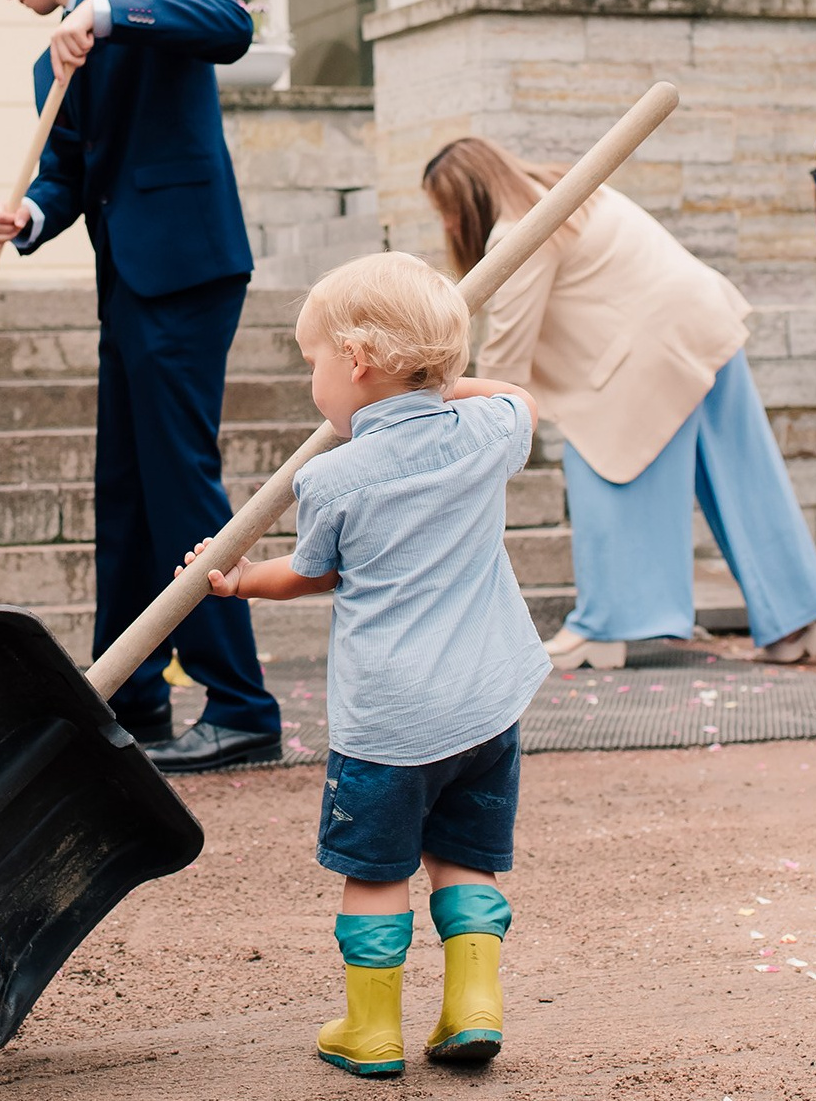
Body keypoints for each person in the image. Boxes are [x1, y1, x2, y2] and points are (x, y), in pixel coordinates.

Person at [182, 252, 546, 1076]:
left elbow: (315, 574)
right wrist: (442, 387)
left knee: (377, 871)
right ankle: (472, 1006)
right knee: (466, 855)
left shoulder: (334, 476)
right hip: (486, 707)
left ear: (355, 362)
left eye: (312, 362)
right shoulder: (487, 434)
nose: (313, 380)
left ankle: (373, 1031)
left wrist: (236, 582)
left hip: (390, 721)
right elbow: (519, 400)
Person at [0, 0, 280, 773]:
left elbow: (231, 24)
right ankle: (129, 693)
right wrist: (30, 214)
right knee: (123, 486)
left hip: (188, 267)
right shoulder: (51, 63)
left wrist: (108, 13)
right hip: (126, 283)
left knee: (179, 481)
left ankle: (243, 708)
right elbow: (67, 175)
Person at [423, 137, 816, 670]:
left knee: (600, 467)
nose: (447, 228)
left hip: (647, 353)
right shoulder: (569, 188)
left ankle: (607, 623)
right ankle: (799, 615)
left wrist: (447, 399)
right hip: (702, 322)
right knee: (744, 475)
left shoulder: (521, 231)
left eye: (445, 213)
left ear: (466, 200)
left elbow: (507, 352)